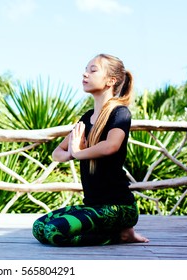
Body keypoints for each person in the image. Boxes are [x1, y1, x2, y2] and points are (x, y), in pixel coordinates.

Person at [32, 53, 149, 246]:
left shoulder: (119, 113)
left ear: (111, 80)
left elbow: (111, 146)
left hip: (119, 208)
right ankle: (120, 233)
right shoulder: (86, 118)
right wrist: (73, 152)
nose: (85, 74)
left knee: (54, 231)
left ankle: (121, 235)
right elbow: (57, 153)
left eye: (92, 70)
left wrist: (79, 153)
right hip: (94, 207)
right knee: (39, 228)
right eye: (86, 70)